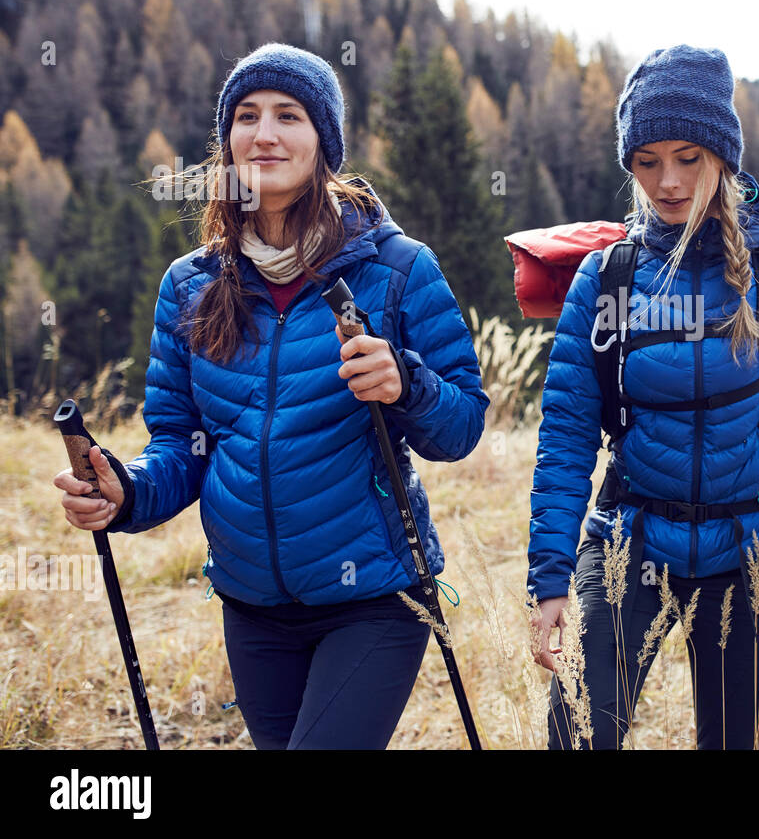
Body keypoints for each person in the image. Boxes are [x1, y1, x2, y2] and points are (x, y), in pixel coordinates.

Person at [52, 43, 489, 749]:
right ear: (226, 141)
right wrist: (125, 491)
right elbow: (182, 446)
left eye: (289, 115)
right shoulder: (191, 285)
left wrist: (407, 385)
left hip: (374, 599)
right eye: (247, 116)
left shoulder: (398, 271)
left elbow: (463, 424)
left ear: (324, 142)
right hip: (251, 607)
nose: (265, 133)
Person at [527, 45, 759, 750]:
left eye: (689, 157)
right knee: (576, 736)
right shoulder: (606, 280)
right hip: (629, 540)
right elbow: (567, 436)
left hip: (745, 546)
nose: (667, 181)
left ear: (724, 155)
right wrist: (548, 579)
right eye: (647, 161)